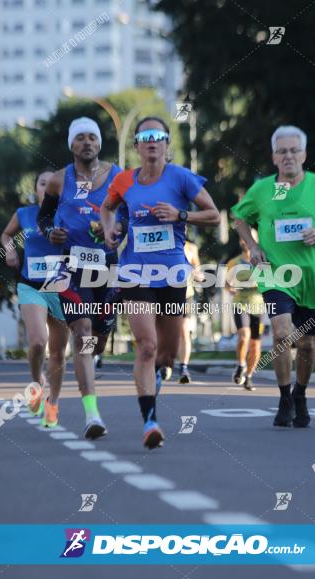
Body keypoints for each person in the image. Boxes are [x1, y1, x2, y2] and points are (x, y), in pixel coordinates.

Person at [101, 116, 220, 449]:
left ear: (167, 143)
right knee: (147, 346)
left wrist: (181, 215)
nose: (152, 141)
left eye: (158, 136)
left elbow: (214, 215)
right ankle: (150, 421)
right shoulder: (124, 181)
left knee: (165, 355)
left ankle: (158, 377)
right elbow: (107, 209)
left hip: (172, 274)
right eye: (145, 136)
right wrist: (111, 229)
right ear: (137, 144)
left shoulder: (180, 177)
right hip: (135, 271)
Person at [232, 125, 315, 428]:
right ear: (273, 157)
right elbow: (239, 218)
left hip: (311, 277)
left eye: (294, 150)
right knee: (283, 334)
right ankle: (284, 397)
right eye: (282, 151)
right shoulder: (262, 190)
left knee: (308, 345)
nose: (288, 156)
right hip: (275, 274)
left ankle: (301, 394)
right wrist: (254, 246)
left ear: (304, 154)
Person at [37, 117, 123, 440]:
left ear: (99, 143)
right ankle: (92, 414)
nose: (87, 142)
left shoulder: (117, 177)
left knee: (97, 336)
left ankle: (101, 342)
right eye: (80, 138)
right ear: (71, 145)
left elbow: (128, 214)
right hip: (69, 267)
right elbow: (43, 216)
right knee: (82, 331)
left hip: (107, 265)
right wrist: (51, 233)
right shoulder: (59, 181)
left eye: (92, 137)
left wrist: (117, 229)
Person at [0, 169, 70, 427]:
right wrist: (10, 251)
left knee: (59, 354)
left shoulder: (68, 213)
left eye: (53, 184)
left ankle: (53, 402)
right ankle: (36, 382)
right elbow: (6, 234)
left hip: (63, 287)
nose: (48, 187)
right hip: (31, 285)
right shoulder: (25, 214)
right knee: (39, 342)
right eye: (43, 183)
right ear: (37, 189)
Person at [226, 235, 264, 391]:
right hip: (240, 304)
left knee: (255, 345)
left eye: (248, 239)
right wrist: (230, 289)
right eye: (242, 239)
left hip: (258, 306)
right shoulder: (233, 263)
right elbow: (227, 284)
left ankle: (249, 376)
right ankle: (241, 364)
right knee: (244, 335)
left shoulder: (263, 261)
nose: (245, 242)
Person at [177, 235, 204, 384]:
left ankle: (183, 367)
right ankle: (163, 362)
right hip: (163, 291)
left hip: (186, 293)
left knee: (184, 330)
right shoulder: (164, 242)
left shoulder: (191, 248)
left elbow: (196, 267)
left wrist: (198, 275)